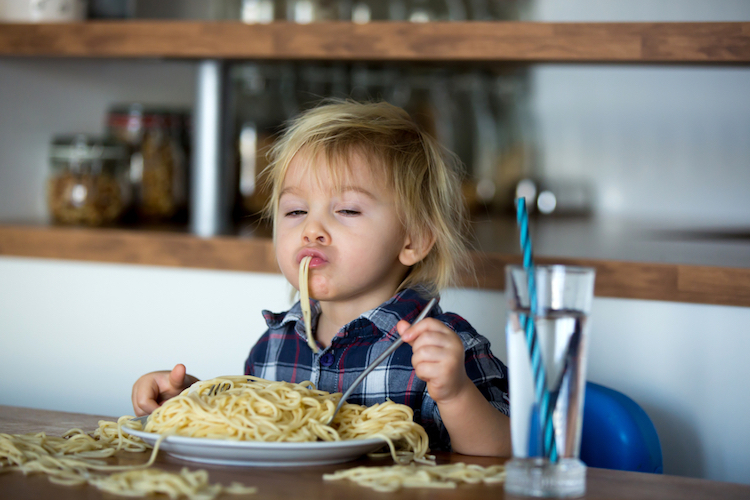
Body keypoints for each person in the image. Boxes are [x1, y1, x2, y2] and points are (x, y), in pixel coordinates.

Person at [131, 100, 511, 456]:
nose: (312, 229)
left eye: (346, 209)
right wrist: (188, 399)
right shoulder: (275, 345)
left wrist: (457, 394)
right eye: (295, 211)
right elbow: (253, 425)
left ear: (414, 239)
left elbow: (504, 452)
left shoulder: (445, 349)